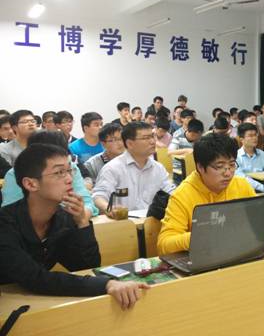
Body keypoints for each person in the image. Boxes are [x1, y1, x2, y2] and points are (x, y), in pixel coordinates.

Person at [0, 143, 148, 307]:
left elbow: (86, 267)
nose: (70, 179)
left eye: (69, 170)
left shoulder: (63, 218)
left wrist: (82, 223)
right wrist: (106, 284)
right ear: (31, 184)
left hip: (26, 300)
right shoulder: (5, 223)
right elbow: (34, 277)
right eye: (59, 173)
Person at [157, 134, 264, 254]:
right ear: (200, 167)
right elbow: (164, 244)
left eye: (232, 165)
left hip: (240, 252)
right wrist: (197, 238)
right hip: (205, 259)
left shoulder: (241, 185)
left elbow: (256, 223)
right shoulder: (182, 195)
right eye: (219, 166)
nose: (228, 173)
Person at [2, 130, 99, 217]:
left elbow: (87, 204)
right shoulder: (15, 173)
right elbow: (10, 212)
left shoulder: (71, 168)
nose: (69, 179)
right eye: (59, 172)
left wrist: (81, 217)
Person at [92, 122, 176, 215]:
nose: (153, 141)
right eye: (146, 138)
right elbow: (99, 196)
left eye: (153, 136)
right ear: (130, 143)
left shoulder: (158, 168)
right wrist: (109, 209)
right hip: (124, 221)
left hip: (152, 220)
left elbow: (171, 192)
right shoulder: (113, 168)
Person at [235, 123, 264, 192]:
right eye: (250, 136)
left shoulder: (263, 154)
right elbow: (242, 178)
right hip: (244, 190)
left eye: (255, 135)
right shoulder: (236, 156)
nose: (255, 138)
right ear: (241, 139)